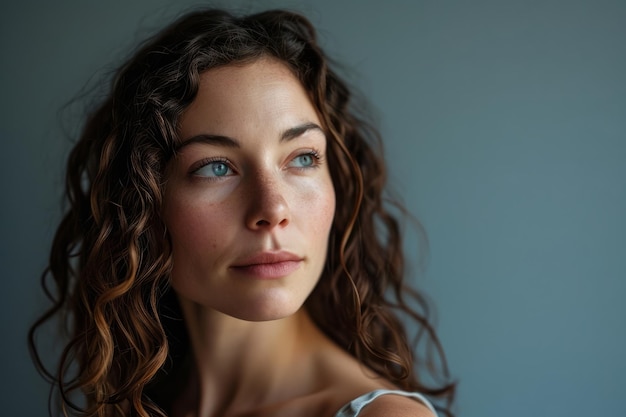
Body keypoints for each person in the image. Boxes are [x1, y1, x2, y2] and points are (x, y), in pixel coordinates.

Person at [29, 8, 456, 417]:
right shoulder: (139, 403)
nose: (272, 209)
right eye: (216, 167)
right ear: (141, 204)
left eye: (303, 158)